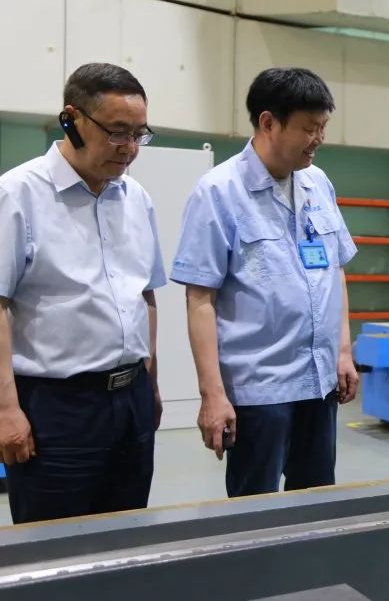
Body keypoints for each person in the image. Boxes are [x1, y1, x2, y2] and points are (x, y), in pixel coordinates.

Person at [171, 67, 359, 497]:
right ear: (268, 122)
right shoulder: (218, 192)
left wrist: (343, 351)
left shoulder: (317, 183)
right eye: (308, 128)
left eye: (323, 127)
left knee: (316, 501)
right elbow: (200, 298)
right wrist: (212, 394)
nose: (318, 139)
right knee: (254, 509)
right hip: (259, 391)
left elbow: (335, 269)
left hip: (319, 383)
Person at [0, 63, 164, 523]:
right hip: (57, 407)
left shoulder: (136, 198)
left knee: (125, 535)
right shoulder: (17, 195)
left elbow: (146, 296)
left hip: (131, 399)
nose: (129, 148)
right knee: (53, 544)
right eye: (117, 132)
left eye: (139, 134)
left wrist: (150, 383)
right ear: (71, 119)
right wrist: (6, 408)